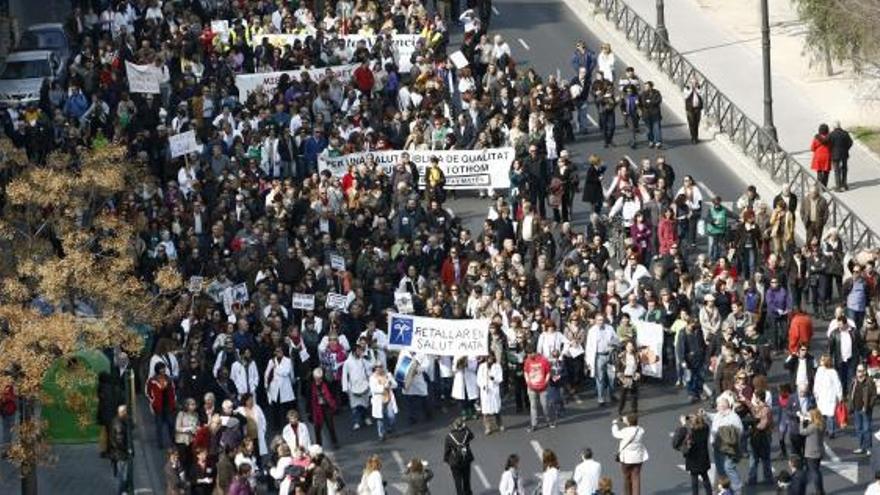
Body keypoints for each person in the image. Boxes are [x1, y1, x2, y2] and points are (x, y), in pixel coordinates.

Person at [709, 397, 743, 493]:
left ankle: (737, 488)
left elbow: (739, 432)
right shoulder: (719, 414)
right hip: (717, 447)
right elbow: (713, 416)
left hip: (728, 449)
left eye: (718, 406)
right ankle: (725, 488)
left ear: (724, 407)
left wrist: (728, 439)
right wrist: (705, 415)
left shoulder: (733, 418)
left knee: (729, 467)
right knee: (721, 469)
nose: (716, 408)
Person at [673, 412, 712, 495]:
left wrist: (683, 425)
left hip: (692, 458)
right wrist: (698, 417)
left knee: (694, 480)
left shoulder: (690, 433)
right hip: (703, 458)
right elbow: (703, 423)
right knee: (705, 477)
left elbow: (677, 441)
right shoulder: (705, 428)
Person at [612, 414, 648, 495]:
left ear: (628, 423)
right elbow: (632, 422)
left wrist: (615, 423)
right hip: (638, 458)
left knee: (626, 478)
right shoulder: (640, 430)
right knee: (636, 478)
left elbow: (616, 434)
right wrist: (626, 420)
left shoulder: (625, 431)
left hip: (626, 459)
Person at [523, 345, 556, 431]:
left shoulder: (544, 360)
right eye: (527, 354)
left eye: (530, 354)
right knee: (533, 406)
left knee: (545, 405)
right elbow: (526, 372)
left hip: (543, 387)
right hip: (531, 387)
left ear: (534, 352)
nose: (529, 356)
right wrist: (528, 382)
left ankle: (549, 421)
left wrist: (545, 382)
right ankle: (534, 424)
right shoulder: (527, 361)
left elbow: (548, 372)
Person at [146, 362, 176, 449]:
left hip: (168, 404)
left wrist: (173, 402)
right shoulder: (152, 380)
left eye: (164, 368)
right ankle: (160, 444)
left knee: (171, 423)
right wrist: (152, 401)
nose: (163, 370)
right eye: (161, 368)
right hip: (158, 406)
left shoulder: (168, 379)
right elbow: (148, 392)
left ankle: (172, 441)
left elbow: (172, 391)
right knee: (159, 426)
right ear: (157, 370)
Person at [813, 355, 843, 439]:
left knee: (830, 415)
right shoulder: (819, 370)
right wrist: (815, 393)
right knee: (823, 415)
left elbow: (838, 384)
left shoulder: (832, 372)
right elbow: (816, 382)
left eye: (822, 359)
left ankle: (831, 431)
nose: (820, 361)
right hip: (821, 397)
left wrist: (839, 396)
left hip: (830, 396)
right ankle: (825, 429)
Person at [444, 418, 475, 495]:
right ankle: (468, 493)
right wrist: (466, 427)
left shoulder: (449, 436)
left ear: (454, 426)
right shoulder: (466, 433)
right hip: (466, 459)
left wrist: (446, 460)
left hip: (454, 461)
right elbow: (472, 436)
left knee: (457, 481)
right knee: (466, 479)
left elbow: (447, 450)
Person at [851, 364, 877, 455]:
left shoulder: (869, 382)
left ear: (865, 372)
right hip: (856, 409)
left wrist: (869, 406)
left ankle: (868, 448)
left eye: (861, 371)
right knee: (858, 429)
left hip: (866, 409)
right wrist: (851, 406)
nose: (859, 372)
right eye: (858, 370)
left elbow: (874, 395)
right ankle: (861, 447)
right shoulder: (854, 381)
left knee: (866, 429)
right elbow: (851, 393)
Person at [798, 408, 826, 494]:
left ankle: (819, 491)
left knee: (814, 472)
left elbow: (802, 432)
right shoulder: (821, 424)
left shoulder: (812, 427)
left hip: (811, 453)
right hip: (819, 451)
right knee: (817, 470)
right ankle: (820, 490)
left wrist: (801, 421)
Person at [369, 362, 398, 442]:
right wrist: (384, 387)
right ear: (375, 368)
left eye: (381, 366)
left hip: (388, 399)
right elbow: (374, 389)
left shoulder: (388, 375)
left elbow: (395, 385)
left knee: (391, 416)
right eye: (377, 367)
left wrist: (390, 383)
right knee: (380, 419)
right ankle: (381, 434)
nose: (379, 368)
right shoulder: (372, 378)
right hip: (379, 401)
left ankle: (390, 428)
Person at [477, 354, 504, 435]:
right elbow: (479, 379)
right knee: (485, 411)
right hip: (485, 391)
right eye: (488, 358)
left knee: (496, 409)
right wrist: (483, 386)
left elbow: (500, 378)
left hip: (494, 390)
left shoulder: (497, 366)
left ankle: (500, 424)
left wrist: (494, 379)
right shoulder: (482, 367)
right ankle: (488, 427)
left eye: (491, 358)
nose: (490, 360)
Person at [108, 405, 131, 495]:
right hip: (120, 454)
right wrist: (127, 449)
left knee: (121, 474)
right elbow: (119, 440)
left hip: (116, 453)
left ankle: (123, 491)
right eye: (125, 412)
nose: (127, 414)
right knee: (122, 475)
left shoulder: (116, 421)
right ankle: (121, 492)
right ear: (122, 413)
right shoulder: (119, 425)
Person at [616, 339, 641, 415]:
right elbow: (618, 368)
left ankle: (634, 410)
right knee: (623, 396)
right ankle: (620, 410)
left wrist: (638, 374)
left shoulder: (636, 356)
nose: (630, 348)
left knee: (634, 395)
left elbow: (639, 367)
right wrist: (621, 378)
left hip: (633, 377)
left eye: (631, 346)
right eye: (628, 346)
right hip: (624, 378)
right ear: (626, 347)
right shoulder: (622, 356)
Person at [828, 121, 853, 191]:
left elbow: (828, 143)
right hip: (844, 154)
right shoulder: (845, 133)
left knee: (837, 170)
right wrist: (846, 148)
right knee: (844, 169)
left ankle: (838, 186)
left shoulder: (831, 134)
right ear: (840, 126)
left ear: (834, 127)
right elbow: (850, 142)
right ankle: (844, 184)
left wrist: (831, 150)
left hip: (835, 154)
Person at [638, 81, 663, 148]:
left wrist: (649, 102)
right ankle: (651, 141)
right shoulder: (642, 94)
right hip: (646, 114)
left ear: (651, 87)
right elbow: (642, 103)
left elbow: (658, 101)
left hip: (655, 114)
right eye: (645, 86)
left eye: (647, 86)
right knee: (649, 129)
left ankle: (658, 142)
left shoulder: (656, 93)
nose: (645, 88)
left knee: (657, 128)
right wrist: (648, 103)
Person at [683, 79, 703, 143]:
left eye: (695, 83)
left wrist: (696, 89)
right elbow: (686, 96)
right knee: (691, 123)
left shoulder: (698, 88)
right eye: (693, 83)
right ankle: (693, 137)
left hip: (697, 108)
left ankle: (696, 137)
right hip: (690, 109)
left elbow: (701, 94)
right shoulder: (687, 88)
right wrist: (691, 90)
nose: (694, 84)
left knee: (696, 123)